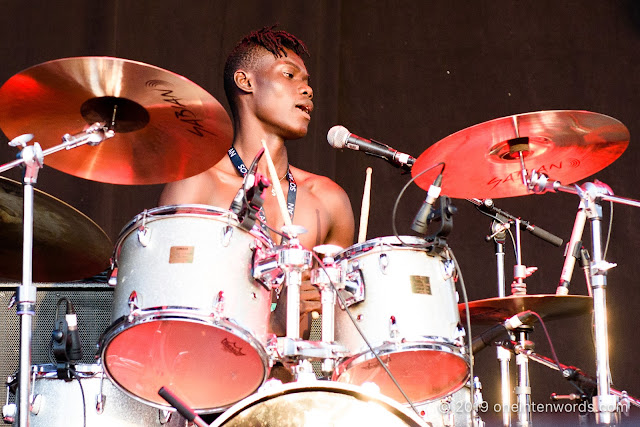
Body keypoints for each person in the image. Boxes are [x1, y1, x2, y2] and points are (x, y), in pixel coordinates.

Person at [159, 27, 355, 335]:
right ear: (245, 81)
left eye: (307, 82)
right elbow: (170, 307)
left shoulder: (328, 200)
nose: (307, 90)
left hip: (295, 381)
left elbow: (337, 328)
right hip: (209, 373)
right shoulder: (198, 185)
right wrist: (271, 323)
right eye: (289, 76)